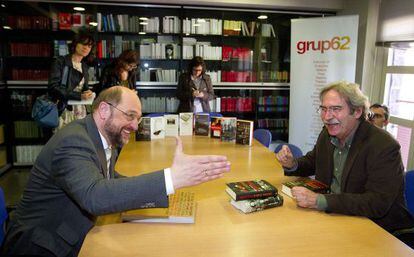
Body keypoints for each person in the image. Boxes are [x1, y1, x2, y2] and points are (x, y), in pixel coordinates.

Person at [1, 86, 231, 256]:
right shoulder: (73, 140)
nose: (134, 125)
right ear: (103, 110)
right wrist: (169, 179)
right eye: (130, 115)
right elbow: (96, 195)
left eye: (138, 119)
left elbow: (112, 181)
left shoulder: (98, 136)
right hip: (42, 246)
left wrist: (167, 190)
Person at [276, 81, 414, 248]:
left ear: (357, 111)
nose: (327, 116)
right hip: (337, 218)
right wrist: (292, 163)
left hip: (379, 230)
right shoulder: (328, 132)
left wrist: (319, 201)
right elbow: (313, 161)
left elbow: (376, 203)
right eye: (324, 109)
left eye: (336, 109)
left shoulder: (383, 146)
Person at [48, 31, 95, 130]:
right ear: (75, 44)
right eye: (83, 44)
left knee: (79, 140)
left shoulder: (84, 66)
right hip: (64, 109)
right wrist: (79, 95)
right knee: (63, 141)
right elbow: (53, 87)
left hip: (80, 111)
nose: (86, 48)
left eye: (89, 46)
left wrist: (88, 92)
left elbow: (83, 88)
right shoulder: (60, 62)